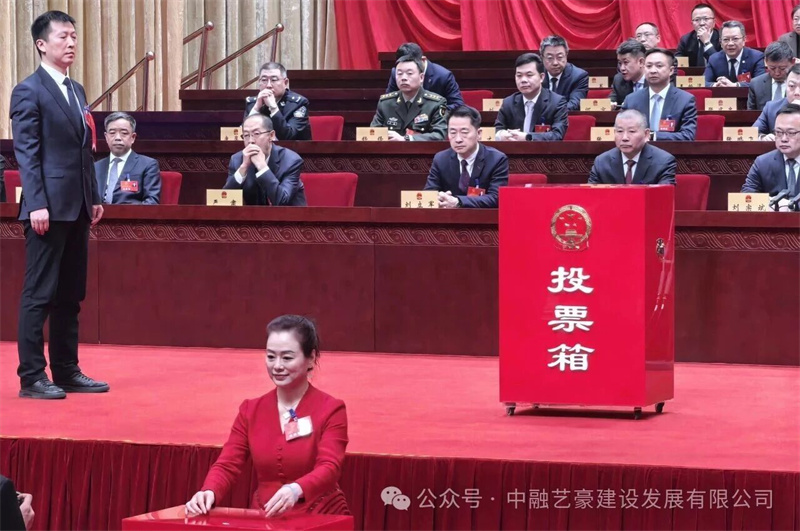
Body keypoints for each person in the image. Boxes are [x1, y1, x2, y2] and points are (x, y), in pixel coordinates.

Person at [10, 10, 107, 399]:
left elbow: (85, 151)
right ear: (41, 44)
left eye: (74, 36)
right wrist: (36, 202)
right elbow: (27, 152)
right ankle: (32, 376)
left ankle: (66, 370)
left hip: (78, 206)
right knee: (39, 294)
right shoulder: (28, 91)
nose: (71, 43)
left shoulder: (76, 90)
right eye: (63, 36)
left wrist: (94, 196)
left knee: (70, 294)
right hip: (46, 209)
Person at [185, 315, 349, 518]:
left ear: (311, 359)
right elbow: (228, 464)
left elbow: (330, 467)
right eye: (271, 357)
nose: (277, 366)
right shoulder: (250, 410)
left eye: (287, 358)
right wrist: (209, 491)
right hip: (266, 515)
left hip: (319, 514)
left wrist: (296, 489)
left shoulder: (331, 409)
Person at [423, 106, 508, 208]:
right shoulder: (441, 159)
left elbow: (496, 198)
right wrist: (440, 197)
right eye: (453, 133)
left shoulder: (496, 159)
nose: (458, 139)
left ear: (479, 134)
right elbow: (429, 194)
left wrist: (458, 202)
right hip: (448, 216)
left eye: (464, 132)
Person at [223, 114, 306, 206]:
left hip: (288, 214)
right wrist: (243, 168)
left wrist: (262, 167)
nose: (250, 141)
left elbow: (282, 201)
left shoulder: (291, 160)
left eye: (256, 134)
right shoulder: (237, 160)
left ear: (271, 135)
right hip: (252, 214)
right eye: (246, 135)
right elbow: (226, 199)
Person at [622, 48, 697, 141]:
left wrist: (653, 136)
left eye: (659, 66)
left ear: (671, 70)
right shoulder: (631, 100)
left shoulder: (685, 100)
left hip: (671, 149)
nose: (653, 70)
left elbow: (688, 135)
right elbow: (621, 132)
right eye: (649, 66)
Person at [588, 109, 676, 185]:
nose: (624, 138)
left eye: (632, 131)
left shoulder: (664, 162)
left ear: (646, 134)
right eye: (620, 131)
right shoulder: (601, 162)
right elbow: (591, 195)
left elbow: (664, 196)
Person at [371, 55, 448, 141]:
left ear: (421, 77)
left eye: (409, 73)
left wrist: (407, 139)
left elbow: (439, 135)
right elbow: (373, 134)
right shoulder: (385, 103)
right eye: (399, 74)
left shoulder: (435, 103)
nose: (403, 78)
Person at [494, 53, 568, 141]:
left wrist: (527, 137)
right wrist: (501, 135)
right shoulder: (508, 103)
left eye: (529, 75)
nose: (523, 80)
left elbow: (557, 135)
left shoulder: (557, 102)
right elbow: (497, 130)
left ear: (541, 77)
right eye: (519, 75)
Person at [94, 112, 161, 205]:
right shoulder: (95, 167)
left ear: (133, 137)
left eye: (124, 133)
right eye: (112, 133)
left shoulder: (148, 165)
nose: (117, 138)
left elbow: (151, 201)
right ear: (106, 137)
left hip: (131, 214)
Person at [386, 42, 464, 112]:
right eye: (401, 70)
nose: (404, 76)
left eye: (409, 72)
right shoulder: (396, 73)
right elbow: (388, 102)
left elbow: (457, 105)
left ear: (423, 60)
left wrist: (433, 112)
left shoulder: (443, 76)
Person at [742, 103, 800, 195]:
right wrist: (771, 201)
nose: (784, 139)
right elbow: (747, 193)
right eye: (779, 132)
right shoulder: (763, 163)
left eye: (791, 133)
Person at [244, 62, 311, 141]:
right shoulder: (253, 103)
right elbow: (244, 134)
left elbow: (288, 137)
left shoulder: (298, 103)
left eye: (274, 80)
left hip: (290, 148)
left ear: (285, 83)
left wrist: (274, 108)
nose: (268, 85)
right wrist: (256, 108)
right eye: (264, 80)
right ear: (259, 82)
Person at [704, 20, 765, 87]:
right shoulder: (714, 59)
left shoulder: (756, 57)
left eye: (735, 39)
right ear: (720, 42)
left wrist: (735, 85)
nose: (730, 43)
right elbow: (703, 82)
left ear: (744, 40)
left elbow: (761, 83)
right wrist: (716, 85)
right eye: (726, 39)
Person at [539, 35, 588, 112]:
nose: (555, 63)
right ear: (542, 57)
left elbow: (574, 104)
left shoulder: (579, 76)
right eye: (550, 58)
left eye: (560, 57)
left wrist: (550, 113)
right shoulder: (536, 74)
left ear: (566, 55)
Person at [754, 64, 800, 140]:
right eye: (792, 86)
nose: (797, 92)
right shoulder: (771, 108)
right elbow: (752, 133)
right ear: (785, 84)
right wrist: (763, 138)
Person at [747, 41, 793, 111]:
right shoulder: (756, 84)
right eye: (772, 68)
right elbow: (751, 114)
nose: (777, 73)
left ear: (792, 62)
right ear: (765, 61)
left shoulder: (797, 83)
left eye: (782, 68)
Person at [610, 39, 648, 107]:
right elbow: (611, 100)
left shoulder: (655, 80)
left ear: (641, 62)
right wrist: (611, 105)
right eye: (620, 63)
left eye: (626, 62)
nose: (622, 68)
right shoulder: (619, 80)